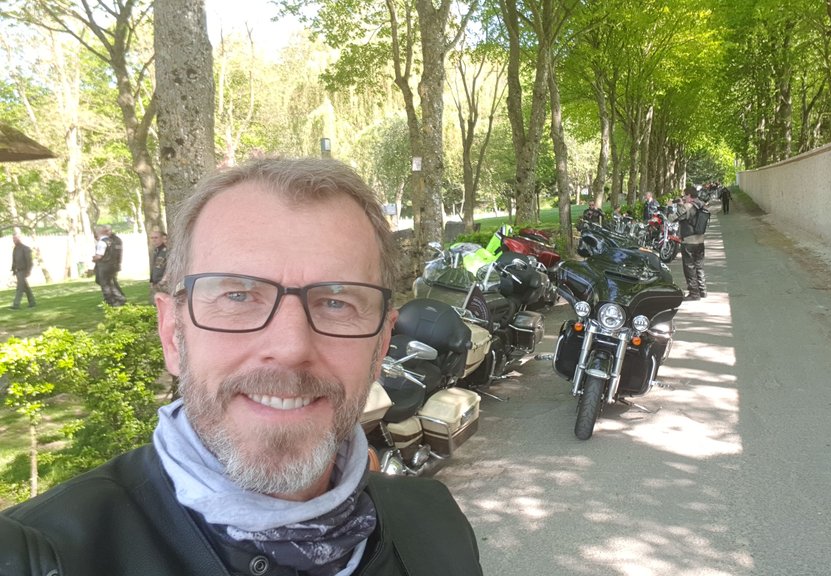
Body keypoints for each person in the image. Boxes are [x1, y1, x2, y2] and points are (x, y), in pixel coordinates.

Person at [0, 158, 484, 575]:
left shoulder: (436, 530)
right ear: (172, 333)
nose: (291, 347)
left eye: (337, 302)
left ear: (380, 346)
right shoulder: (47, 555)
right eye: (237, 295)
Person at [679, 186, 707, 300]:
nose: (684, 197)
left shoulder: (688, 206)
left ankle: (694, 293)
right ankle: (702, 290)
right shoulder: (702, 205)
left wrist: (674, 206)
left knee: (689, 267)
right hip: (700, 240)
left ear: (689, 195)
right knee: (699, 266)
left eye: (685, 195)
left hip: (688, 240)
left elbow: (672, 218)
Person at [92, 224, 126, 306]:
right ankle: (119, 298)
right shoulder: (112, 241)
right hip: (112, 265)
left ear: (98, 232)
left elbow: (99, 256)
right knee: (111, 283)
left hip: (104, 266)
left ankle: (111, 301)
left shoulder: (102, 242)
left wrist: (94, 259)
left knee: (105, 285)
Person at [10, 234, 36, 310]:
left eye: (15, 239)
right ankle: (32, 302)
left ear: (19, 239)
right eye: (13, 239)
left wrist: (28, 271)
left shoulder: (25, 248)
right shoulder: (15, 249)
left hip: (23, 271)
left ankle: (16, 305)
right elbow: (14, 260)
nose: (14, 240)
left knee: (20, 288)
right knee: (25, 288)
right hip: (18, 271)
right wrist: (13, 270)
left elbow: (29, 261)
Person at [149, 229, 169, 304]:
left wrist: (163, 281)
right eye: (152, 238)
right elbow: (155, 267)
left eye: (156, 237)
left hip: (164, 284)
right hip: (156, 283)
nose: (154, 240)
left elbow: (170, 267)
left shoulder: (167, 251)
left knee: (165, 303)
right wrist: (151, 281)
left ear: (162, 238)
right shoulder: (156, 251)